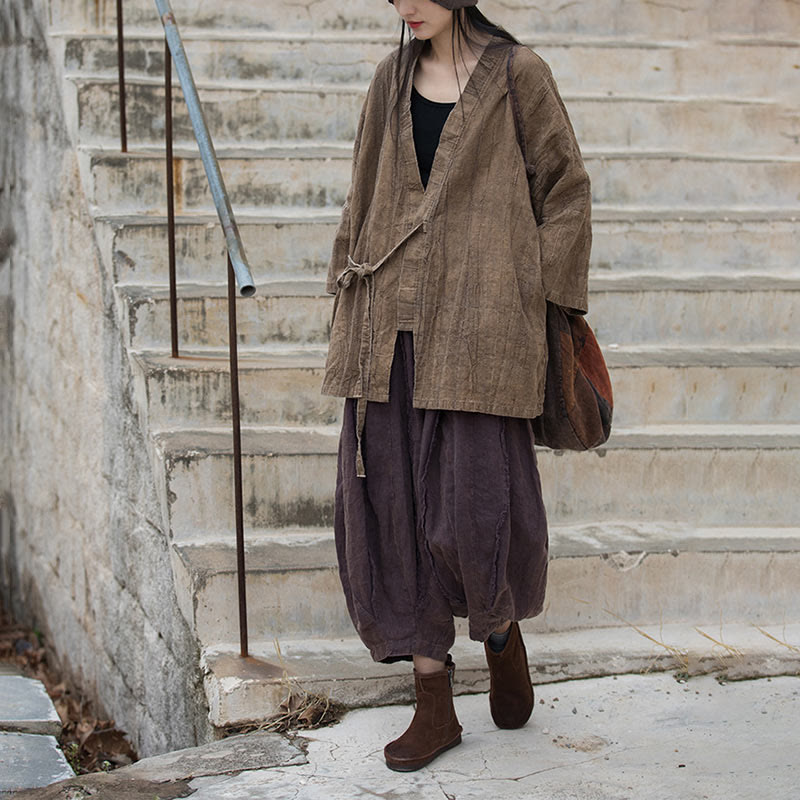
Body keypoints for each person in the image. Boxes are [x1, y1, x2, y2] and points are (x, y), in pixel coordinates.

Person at [321, 0, 592, 772]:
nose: (405, 6)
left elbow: (567, 193)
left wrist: (528, 293)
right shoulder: (389, 79)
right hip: (388, 334)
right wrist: (345, 307)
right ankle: (433, 703)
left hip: (480, 338)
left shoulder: (519, 77)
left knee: (472, 512)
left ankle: (500, 633)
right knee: (393, 514)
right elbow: (360, 196)